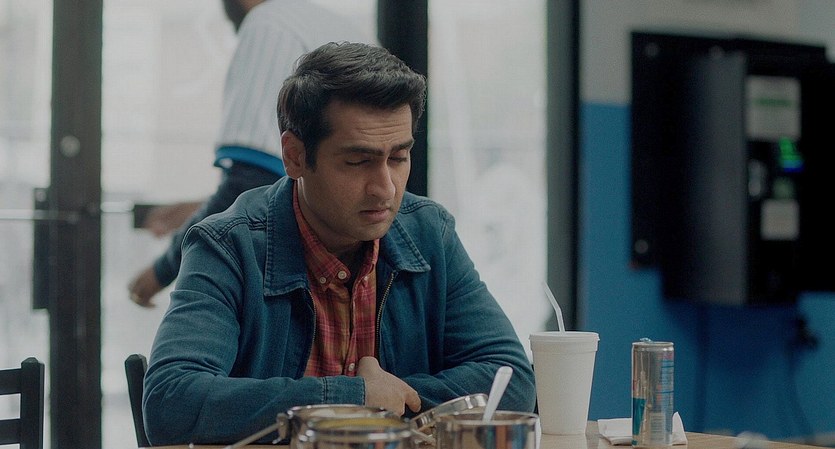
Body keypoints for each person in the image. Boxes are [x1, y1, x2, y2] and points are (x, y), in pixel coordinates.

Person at [142, 42, 537, 445]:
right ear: (294, 157)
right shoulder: (228, 246)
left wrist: (387, 399)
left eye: (398, 158)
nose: (385, 188)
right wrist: (353, 398)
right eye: (357, 162)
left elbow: (512, 380)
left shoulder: (429, 233)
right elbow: (171, 402)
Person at [128, 0, 374, 307]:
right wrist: (202, 206)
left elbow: (249, 182)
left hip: (316, 271)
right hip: (362, 264)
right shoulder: (331, 24)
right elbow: (289, 181)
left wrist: (160, 271)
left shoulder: (268, 23)